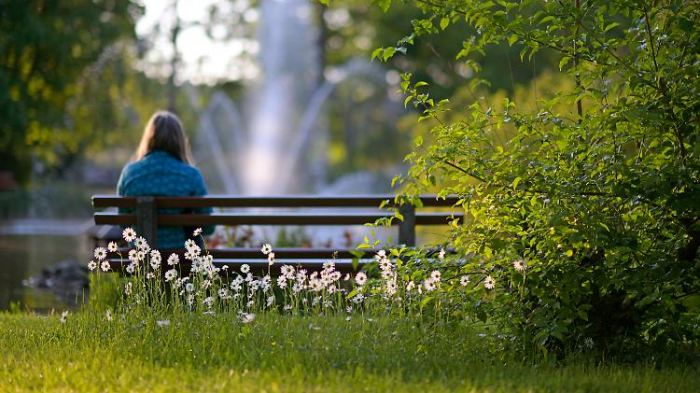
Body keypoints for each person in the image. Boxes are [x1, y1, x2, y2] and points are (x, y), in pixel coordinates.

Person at [116, 111, 215, 249]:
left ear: (148, 138)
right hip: (182, 262)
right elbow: (209, 227)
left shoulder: (129, 173)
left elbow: (123, 222)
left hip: (141, 260)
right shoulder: (191, 176)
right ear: (180, 140)